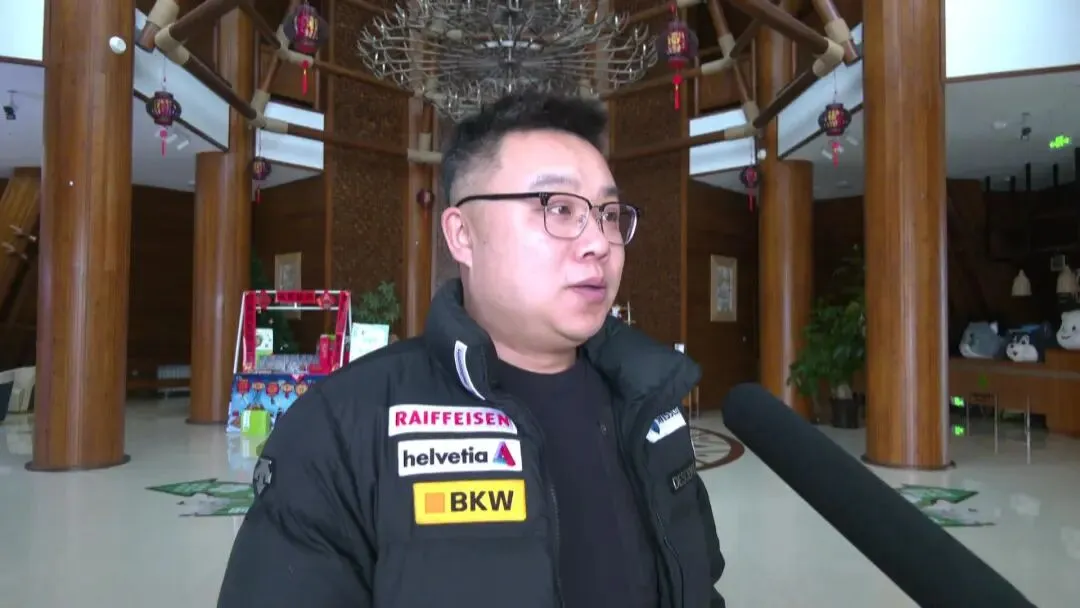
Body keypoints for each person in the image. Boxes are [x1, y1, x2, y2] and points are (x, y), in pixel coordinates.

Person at [218, 92, 726, 607]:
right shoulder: (339, 427)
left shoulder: (650, 403)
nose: (598, 242)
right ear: (461, 235)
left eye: (609, 214)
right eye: (559, 208)